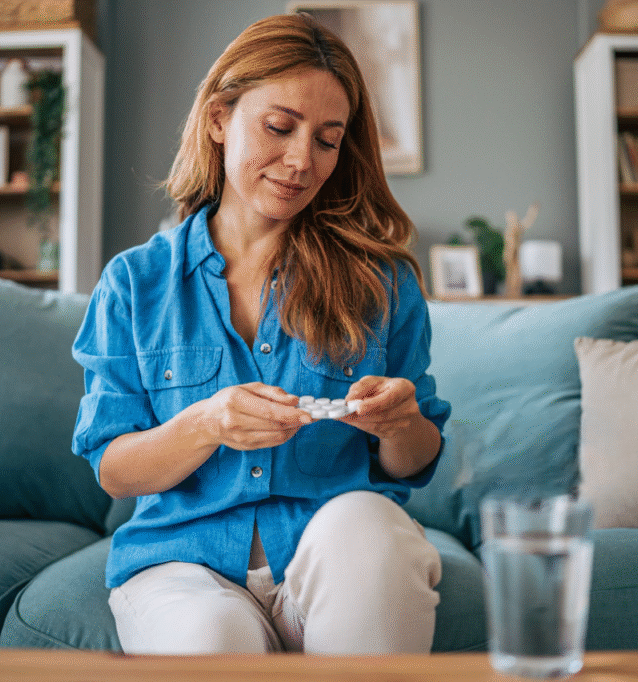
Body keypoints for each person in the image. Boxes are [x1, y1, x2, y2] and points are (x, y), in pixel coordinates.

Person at [71, 13, 450, 656]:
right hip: (180, 566)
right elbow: (114, 469)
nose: (302, 160)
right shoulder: (134, 284)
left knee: (372, 532)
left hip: (331, 553)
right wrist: (206, 423)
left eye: (328, 140)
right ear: (220, 118)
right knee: (212, 637)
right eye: (279, 127)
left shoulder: (382, 281)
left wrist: (401, 423)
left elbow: (415, 462)